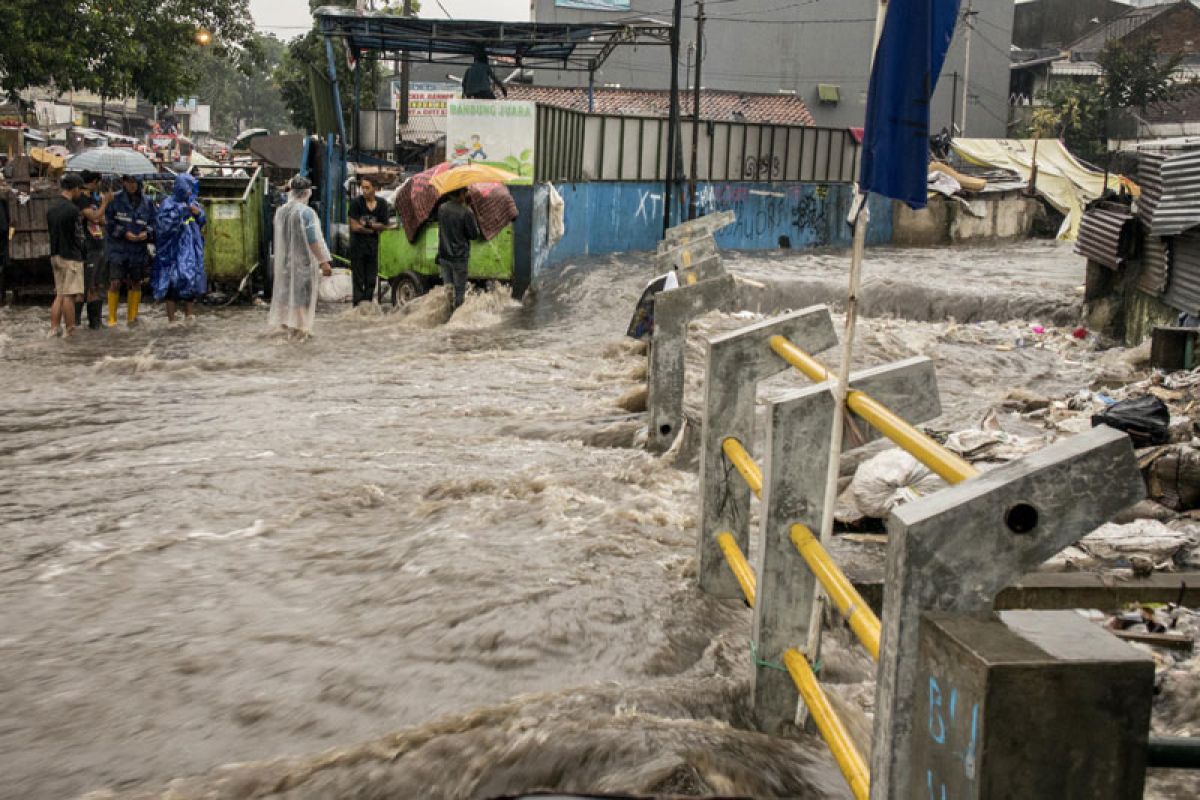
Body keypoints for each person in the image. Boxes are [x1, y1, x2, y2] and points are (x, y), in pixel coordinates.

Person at [269, 176, 332, 339]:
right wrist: (323, 262)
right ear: (306, 193)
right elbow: (313, 240)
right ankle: (303, 332)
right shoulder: (307, 213)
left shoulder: (281, 212)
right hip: (302, 264)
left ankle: (280, 331)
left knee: (284, 299)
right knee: (301, 300)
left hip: (285, 263)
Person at [151, 174, 207, 323]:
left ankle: (189, 316)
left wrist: (198, 213)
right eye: (187, 189)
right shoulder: (168, 204)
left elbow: (202, 220)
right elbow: (163, 226)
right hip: (172, 251)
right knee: (171, 285)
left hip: (190, 251)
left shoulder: (193, 203)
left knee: (190, 282)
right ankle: (171, 320)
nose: (189, 192)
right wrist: (180, 213)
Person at [105, 174, 156, 327]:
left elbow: (155, 224)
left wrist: (146, 233)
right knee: (115, 282)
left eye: (135, 182)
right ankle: (112, 319)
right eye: (129, 182)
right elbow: (108, 223)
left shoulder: (148, 203)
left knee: (136, 282)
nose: (132, 185)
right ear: (124, 182)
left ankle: (132, 317)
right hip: (118, 249)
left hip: (138, 250)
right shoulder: (114, 200)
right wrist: (124, 233)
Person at [46, 174, 86, 337]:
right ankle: (70, 330)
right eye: (79, 189)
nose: (80, 193)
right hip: (70, 256)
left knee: (60, 294)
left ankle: (54, 328)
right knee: (70, 296)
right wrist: (83, 252)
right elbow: (79, 236)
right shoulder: (73, 210)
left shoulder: (51, 207)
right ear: (75, 188)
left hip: (55, 255)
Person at [74, 170, 112, 329]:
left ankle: (95, 323)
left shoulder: (91, 199)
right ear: (94, 182)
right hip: (87, 248)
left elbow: (102, 220)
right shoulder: (81, 200)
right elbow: (94, 217)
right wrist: (105, 203)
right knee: (85, 287)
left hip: (98, 245)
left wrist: (101, 208)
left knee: (96, 285)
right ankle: (74, 323)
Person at [347, 176, 393, 306]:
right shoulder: (356, 203)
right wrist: (373, 228)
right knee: (358, 279)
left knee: (371, 278)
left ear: (375, 189)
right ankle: (357, 306)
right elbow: (355, 227)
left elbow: (384, 226)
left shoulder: (382, 204)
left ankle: (367, 306)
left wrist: (366, 225)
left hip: (372, 246)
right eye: (363, 188)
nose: (364, 191)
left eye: (367, 188)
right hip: (357, 246)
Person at [435, 187, 481, 312]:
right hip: (459, 258)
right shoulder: (466, 212)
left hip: (444, 255)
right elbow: (473, 235)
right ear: (460, 194)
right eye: (465, 192)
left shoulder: (442, 208)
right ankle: (456, 322)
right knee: (460, 293)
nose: (466, 195)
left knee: (448, 291)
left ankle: (447, 315)